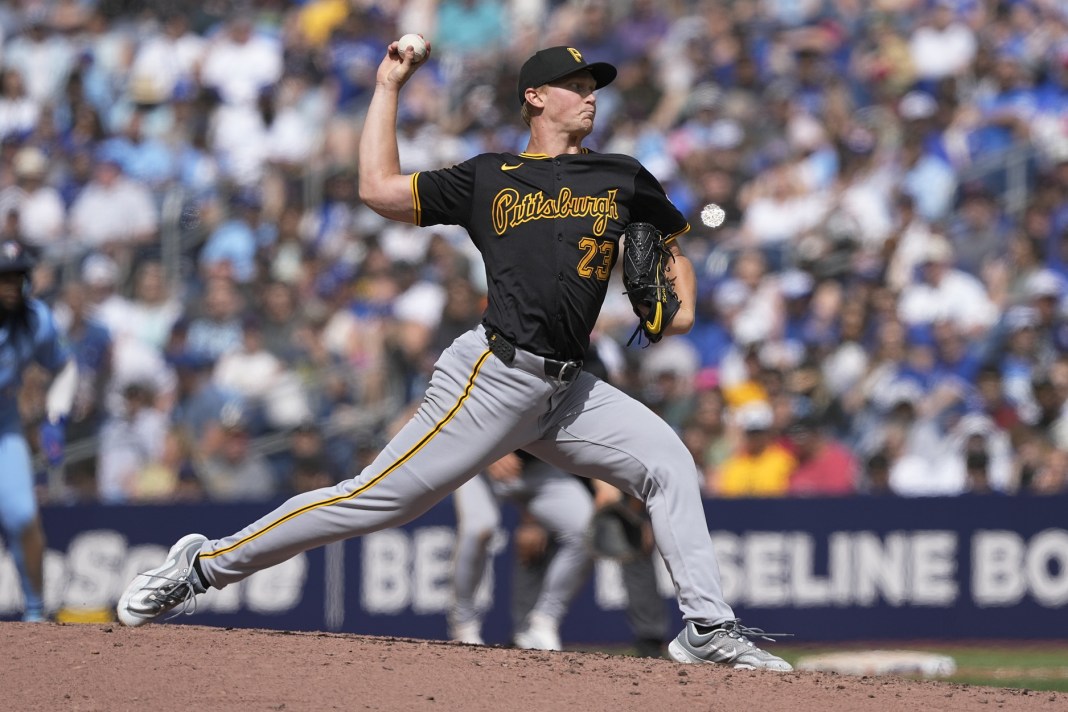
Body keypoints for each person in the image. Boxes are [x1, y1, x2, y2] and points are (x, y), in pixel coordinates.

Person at [117, 42, 792, 671]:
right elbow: (378, 188)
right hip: (494, 375)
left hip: (569, 387)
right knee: (373, 501)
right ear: (534, 97)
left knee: (667, 459)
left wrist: (684, 304)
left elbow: (669, 244)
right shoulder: (489, 177)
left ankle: (706, 627)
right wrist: (388, 86)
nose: (591, 97)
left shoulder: (620, 174)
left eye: (594, 87)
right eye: (576, 85)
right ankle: (203, 566)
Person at [0, 240, 77, 620]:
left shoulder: (36, 319)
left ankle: (35, 614)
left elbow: (64, 367)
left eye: (18, 276)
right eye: (3, 278)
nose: (12, 285)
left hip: (4, 430)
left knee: (22, 517)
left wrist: (55, 417)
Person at [449, 451, 593, 650]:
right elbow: (458, 420)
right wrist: (489, 450)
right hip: (481, 467)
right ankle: (463, 624)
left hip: (540, 465)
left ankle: (544, 622)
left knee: (586, 530)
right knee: (478, 530)